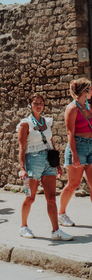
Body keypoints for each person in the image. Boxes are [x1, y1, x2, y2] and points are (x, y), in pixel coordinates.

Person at [17, 93, 73, 240]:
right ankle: (23, 226)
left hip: (48, 161)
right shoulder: (25, 123)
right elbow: (22, 148)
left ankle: (56, 231)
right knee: (30, 197)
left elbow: (51, 142)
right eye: (35, 103)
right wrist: (22, 168)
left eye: (41, 103)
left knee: (52, 198)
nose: (38, 105)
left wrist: (57, 164)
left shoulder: (47, 122)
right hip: (32, 161)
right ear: (30, 105)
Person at [58, 78, 92, 227]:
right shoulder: (72, 108)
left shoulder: (88, 106)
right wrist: (74, 155)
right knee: (73, 184)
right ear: (86, 90)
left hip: (91, 145)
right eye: (91, 88)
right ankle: (61, 214)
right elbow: (70, 133)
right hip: (77, 147)